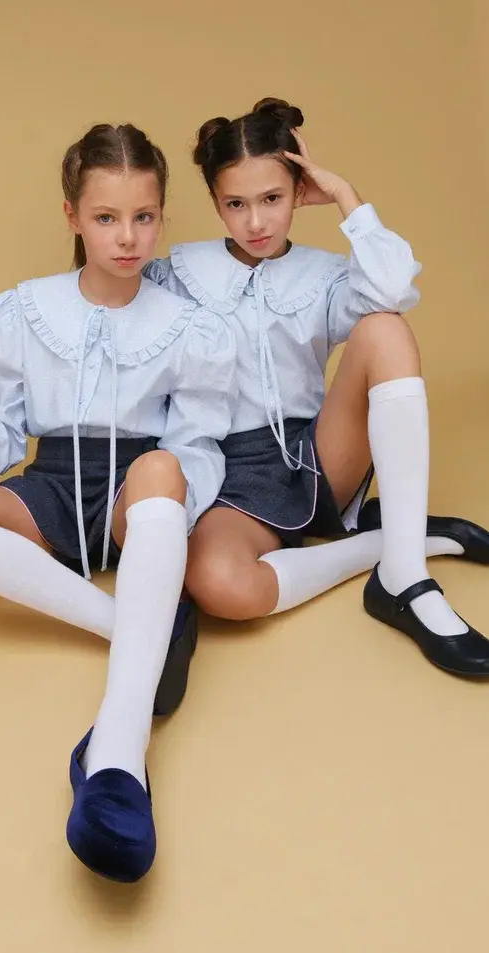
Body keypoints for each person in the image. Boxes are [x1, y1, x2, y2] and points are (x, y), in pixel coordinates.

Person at [0, 121, 237, 881]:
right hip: (51, 485)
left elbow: (196, 444)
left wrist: (169, 502)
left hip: (135, 494)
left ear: (162, 216)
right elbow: (2, 417)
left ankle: (119, 751)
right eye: (106, 217)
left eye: (143, 217)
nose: (127, 237)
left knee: (163, 465)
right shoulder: (26, 309)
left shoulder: (189, 327)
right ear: (72, 217)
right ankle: (141, 628)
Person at [144, 97, 489, 677]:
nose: (256, 223)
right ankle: (392, 545)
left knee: (384, 327)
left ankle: (406, 577)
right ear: (216, 203)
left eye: (273, 199)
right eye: (236, 204)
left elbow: (393, 288)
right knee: (220, 584)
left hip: (316, 454)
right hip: (222, 472)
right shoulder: (178, 275)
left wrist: (346, 197)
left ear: (298, 191)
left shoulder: (322, 274)